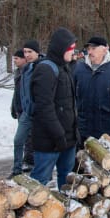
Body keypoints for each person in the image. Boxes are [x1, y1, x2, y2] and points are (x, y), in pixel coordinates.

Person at [30, 27, 78, 190]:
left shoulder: (65, 68)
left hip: (67, 138)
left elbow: (69, 104)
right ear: (61, 48)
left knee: (67, 179)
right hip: (49, 141)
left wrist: (73, 132)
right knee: (40, 182)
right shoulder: (46, 69)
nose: (73, 53)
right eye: (71, 49)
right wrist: (58, 135)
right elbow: (44, 107)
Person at [73, 36, 110, 144]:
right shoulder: (79, 68)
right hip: (82, 126)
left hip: (104, 126)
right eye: (88, 49)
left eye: (93, 48)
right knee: (80, 158)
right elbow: (70, 94)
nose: (90, 52)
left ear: (104, 49)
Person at [10, 40, 41, 177]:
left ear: (37, 52)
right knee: (18, 140)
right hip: (25, 112)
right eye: (25, 52)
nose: (27, 55)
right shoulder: (24, 70)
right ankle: (16, 170)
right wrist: (15, 106)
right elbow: (19, 92)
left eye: (30, 52)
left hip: (39, 113)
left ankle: (39, 170)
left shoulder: (42, 67)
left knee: (38, 143)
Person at [11, 49, 27, 120]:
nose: (14, 60)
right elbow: (16, 92)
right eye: (14, 58)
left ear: (24, 59)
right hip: (19, 110)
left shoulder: (28, 73)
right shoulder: (17, 72)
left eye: (16, 58)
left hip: (26, 111)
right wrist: (14, 107)